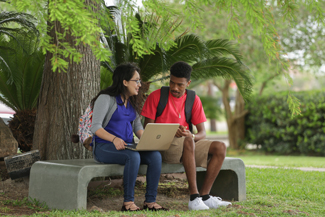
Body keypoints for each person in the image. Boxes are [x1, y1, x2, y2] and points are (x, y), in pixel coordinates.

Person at [141, 61, 232, 210]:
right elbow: (147, 129)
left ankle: (204, 196)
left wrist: (192, 135)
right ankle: (194, 197)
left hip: (187, 144)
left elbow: (202, 133)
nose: (174, 88)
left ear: (188, 83)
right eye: (172, 82)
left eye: (180, 85)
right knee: (189, 141)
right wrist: (170, 130)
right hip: (163, 146)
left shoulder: (193, 99)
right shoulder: (156, 96)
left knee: (220, 147)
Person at [90, 63, 167, 211]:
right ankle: (128, 203)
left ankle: (150, 202)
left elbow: (137, 127)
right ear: (125, 82)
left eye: (140, 81)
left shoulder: (133, 100)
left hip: (127, 146)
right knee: (133, 157)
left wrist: (148, 140)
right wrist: (114, 139)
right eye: (136, 81)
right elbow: (95, 127)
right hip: (104, 147)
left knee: (155, 156)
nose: (140, 85)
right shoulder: (106, 98)